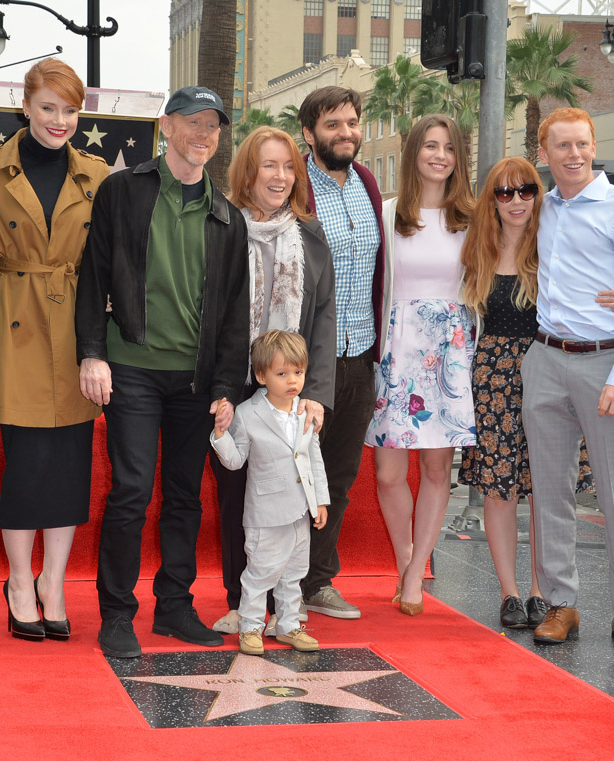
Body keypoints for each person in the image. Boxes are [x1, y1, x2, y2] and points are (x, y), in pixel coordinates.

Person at [76, 85, 249, 659]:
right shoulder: (124, 190)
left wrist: (226, 388)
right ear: (166, 126)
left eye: (214, 126)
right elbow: (93, 274)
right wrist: (92, 352)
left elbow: (232, 316)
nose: (204, 134)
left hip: (195, 381)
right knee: (130, 492)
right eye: (193, 122)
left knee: (184, 497)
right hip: (131, 369)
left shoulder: (228, 217)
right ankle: (117, 614)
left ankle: (174, 608)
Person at [0, 58, 109, 642]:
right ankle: (20, 582)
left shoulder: (98, 176)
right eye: (48, 107)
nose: (59, 120)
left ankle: (54, 582)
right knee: (25, 462)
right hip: (14, 322)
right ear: (25, 105)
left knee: (72, 462)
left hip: (75, 330)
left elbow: (103, 262)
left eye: (70, 110)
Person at [458, 157, 614, 629]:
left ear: (539, 193)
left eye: (526, 190)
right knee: (499, 487)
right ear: (491, 198)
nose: (516, 201)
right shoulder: (476, 250)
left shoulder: (555, 242)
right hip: (491, 376)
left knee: (547, 487)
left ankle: (541, 592)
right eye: (504, 192)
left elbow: (607, 273)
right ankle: (510, 593)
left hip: (549, 369)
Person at [521, 107, 614, 654]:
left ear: (592, 145)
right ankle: (562, 603)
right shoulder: (538, 209)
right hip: (546, 359)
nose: (574, 155)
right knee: (551, 490)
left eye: (581, 144)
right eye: (562, 146)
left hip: (609, 364)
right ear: (545, 152)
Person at [208, 126, 336, 635]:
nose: (280, 176)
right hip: (234, 384)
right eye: (269, 165)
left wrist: (317, 395)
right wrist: (219, 390)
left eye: (288, 166)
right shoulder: (222, 227)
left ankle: (287, 606)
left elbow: (323, 316)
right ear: (248, 171)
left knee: (293, 496)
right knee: (237, 496)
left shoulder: (308, 233)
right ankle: (242, 603)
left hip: (290, 386)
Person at [366, 114, 475, 617]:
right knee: (388, 472)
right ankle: (408, 556)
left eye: (449, 148)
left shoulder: (473, 218)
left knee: (436, 467)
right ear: (413, 153)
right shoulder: (387, 214)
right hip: (397, 346)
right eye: (430, 145)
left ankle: (413, 574)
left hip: (450, 350)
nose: (439, 156)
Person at [297, 85, 384, 620]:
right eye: (333, 125)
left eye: (351, 123)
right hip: (306, 361)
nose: (345, 133)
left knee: (338, 476)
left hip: (361, 355)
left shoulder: (367, 184)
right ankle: (275, 583)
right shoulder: (296, 184)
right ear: (310, 134)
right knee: (291, 476)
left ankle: (316, 582)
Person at [211, 330, 329, 655]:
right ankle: (250, 627)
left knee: (294, 573)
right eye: (282, 373)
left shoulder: (305, 412)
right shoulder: (247, 414)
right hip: (265, 513)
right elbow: (235, 461)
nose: (292, 380)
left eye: (298, 372)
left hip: (300, 511)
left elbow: (313, 458)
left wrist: (319, 500)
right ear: (261, 375)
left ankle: (289, 626)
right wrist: (220, 435)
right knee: (260, 573)